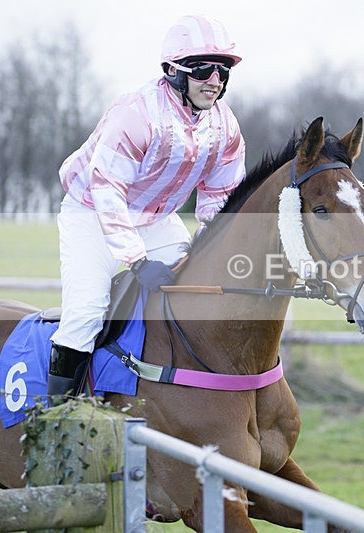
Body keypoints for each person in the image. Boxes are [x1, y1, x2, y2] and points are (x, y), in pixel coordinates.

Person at [47, 15, 247, 396]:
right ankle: (56, 419)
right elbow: (107, 191)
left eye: (223, 70)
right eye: (203, 68)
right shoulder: (136, 114)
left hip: (157, 220)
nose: (215, 79)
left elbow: (219, 198)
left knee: (196, 291)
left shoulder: (226, 126)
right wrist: (138, 262)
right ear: (173, 71)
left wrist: (213, 250)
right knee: (86, 312)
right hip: (92, 214)